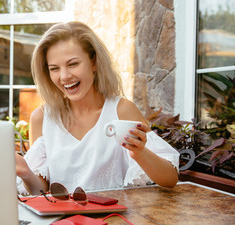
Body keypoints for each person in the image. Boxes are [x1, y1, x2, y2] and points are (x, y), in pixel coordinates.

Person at [16, 21, 179, 195]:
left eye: (73, 64)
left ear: (94, 62)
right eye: (54, 68)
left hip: (113, 220)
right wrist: (25, 172)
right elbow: (39, 192)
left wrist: (140, 154)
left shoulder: (121, 110)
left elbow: (170, 179)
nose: (64, 76)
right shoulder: (41, 118)